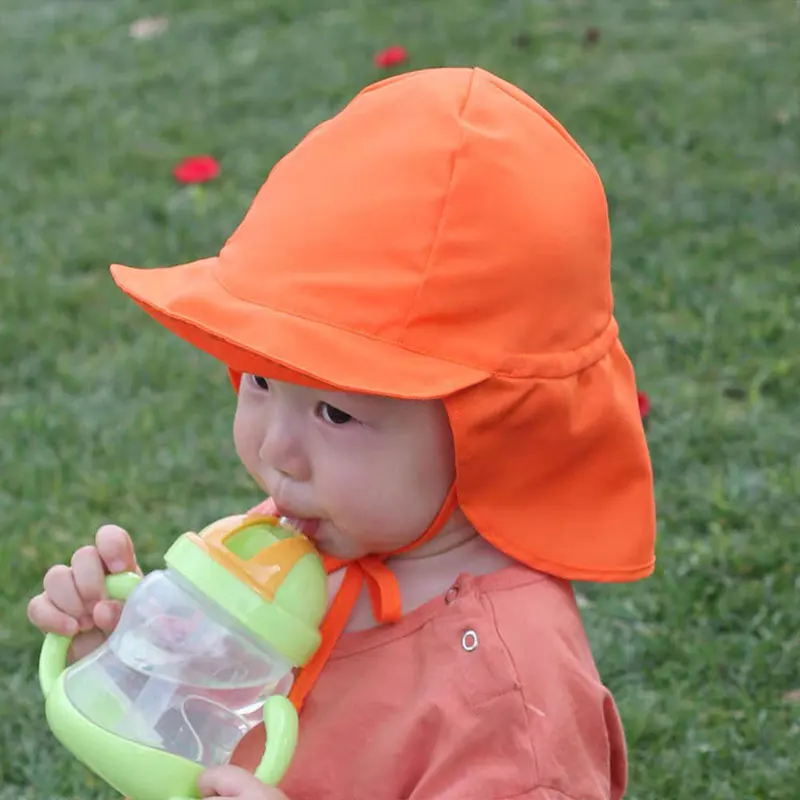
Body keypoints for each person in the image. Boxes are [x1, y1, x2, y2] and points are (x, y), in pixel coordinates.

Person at [27, 67, 656, 800]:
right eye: (259, 381)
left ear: (487, 425)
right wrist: (131, 669)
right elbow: (206, 747)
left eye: (335, 413)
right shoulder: (313, 536)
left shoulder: (510, 689)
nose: (275, 450)